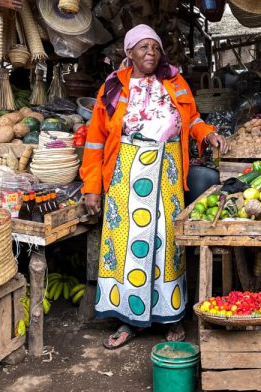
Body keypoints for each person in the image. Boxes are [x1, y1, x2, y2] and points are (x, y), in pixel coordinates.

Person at [80, 24, 229, 349]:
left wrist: (207, 134)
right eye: (143, 47)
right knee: (125, 247)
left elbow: (192, 120)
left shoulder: (174, 83)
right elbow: (95, 140)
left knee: (166, 243)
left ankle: (170, 316)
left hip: (167, 176)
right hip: (125, 177)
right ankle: (127, 320)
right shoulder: (113, 87)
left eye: (155, 47)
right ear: (129, 52)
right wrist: (92, 186)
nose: (150, 53)